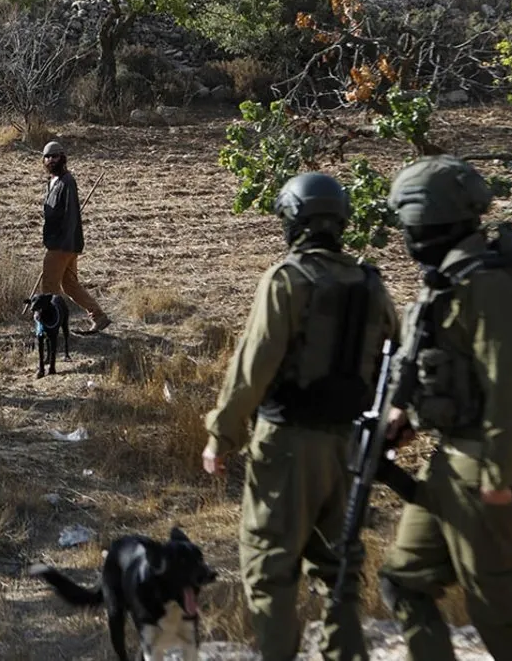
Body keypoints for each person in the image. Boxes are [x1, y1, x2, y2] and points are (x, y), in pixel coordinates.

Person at [202, 172, 399, 661]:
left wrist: (221, 436)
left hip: (288, 443)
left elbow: (254, 365)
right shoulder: (370, 283)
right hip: (350, 450)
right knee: (340, 578)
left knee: (271, 572)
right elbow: (395, 359)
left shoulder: (286, 280)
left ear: (293, 220)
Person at [376, 155, 512, 661]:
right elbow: (451, 366)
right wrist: (406, 416)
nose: (407, 235)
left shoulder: (489, 283)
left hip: (483, 465)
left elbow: (510, 386)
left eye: (409, 223)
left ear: (428, 218)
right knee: (404, 581)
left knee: (504, 613)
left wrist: (499, 475)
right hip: (450, 460)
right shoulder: (453, 275)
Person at [39, 141, 110, 335]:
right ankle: (99, 316)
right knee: (69, 285)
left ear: (63, 158)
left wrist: (62, 244)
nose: (51, 159)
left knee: (50, 285)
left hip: (61, 244)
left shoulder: (67, 181)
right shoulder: (52, 182)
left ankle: (52, 324)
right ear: (43, 160)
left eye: (55, 156)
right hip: (63, 244)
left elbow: (70, 217)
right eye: (48, 156)